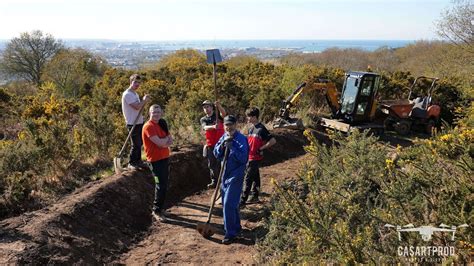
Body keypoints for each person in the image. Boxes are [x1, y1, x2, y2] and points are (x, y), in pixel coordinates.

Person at [213, 115, 249, 244]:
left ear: (235, 125)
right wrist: (222, 145)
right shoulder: (224, 136)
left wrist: (232, 146)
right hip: (224, 176)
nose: (228, 127)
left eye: (231, 124)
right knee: (232, 205)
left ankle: (230, 234)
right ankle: (237, 227)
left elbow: (243, 158)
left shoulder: (241, 139)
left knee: (227, 204)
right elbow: (216, 154)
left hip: (236, 175)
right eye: (226, 125)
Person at [142, 104, 173, 221]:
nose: (156, 114)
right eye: (154, 112)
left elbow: (170, 140)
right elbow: (160, 143)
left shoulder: (162, 123)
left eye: (158, 112)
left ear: (161, 113)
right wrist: (164, 142)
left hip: (164, 158)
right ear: (149, 113)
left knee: (164, 185)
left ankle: (161, 209)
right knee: (160, 185)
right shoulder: (148, 126)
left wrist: (163, 142)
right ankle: (156, 210)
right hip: (155, 161)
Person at [240, 107, 276, 206]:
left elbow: (273, 141)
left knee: (247, 178)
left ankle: (242, 200)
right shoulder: (251, 128)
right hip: (249, 156)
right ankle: (255, 196)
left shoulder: (261, 129)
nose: (247, 118)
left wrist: (261, 148)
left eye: (249, 116)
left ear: (255, 117)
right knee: (255, 176)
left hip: (255, 157)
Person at [122, 74, 149, 170]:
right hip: (132, 122)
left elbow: (138, 107)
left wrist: (143, 102)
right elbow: (137, 106)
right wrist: (144, 101)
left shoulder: (135, 94)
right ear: (131, 82)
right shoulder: (127, 94)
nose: (137, 84)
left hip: (138, 121)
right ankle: (132, 163)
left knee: (140, 143)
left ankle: (138, 161)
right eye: (135, 82)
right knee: (136, 144)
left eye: (139, 83)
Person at [200, 100, 226, 188]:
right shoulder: (203, 119)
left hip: (221, 143)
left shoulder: (217, 116)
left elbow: (224, 114)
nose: (206, 109)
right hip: (210, 144)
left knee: (221, 163)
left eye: (208, 107)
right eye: (204, 107)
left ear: (212, 107)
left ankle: (223, 180)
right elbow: (205, 127)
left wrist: (219, 106)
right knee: (211, 164)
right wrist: (213, 127)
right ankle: (214, 181)